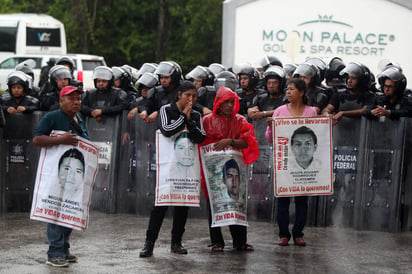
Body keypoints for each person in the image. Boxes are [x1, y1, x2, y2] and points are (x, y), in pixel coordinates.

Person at [139, 81, 206, 258]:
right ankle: (149, 243)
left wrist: (190, 121)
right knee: (160, 204)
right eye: (187, 96)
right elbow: (167, 131)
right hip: (168, 166)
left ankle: (176, 242)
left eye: (194, 96)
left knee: (183, 204)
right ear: (179, 95)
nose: (191, 100)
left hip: (186, 166)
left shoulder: (197, 115)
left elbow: (200, 137)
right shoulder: (166, 110)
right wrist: (183, 116)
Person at [33, 85, 88, 267]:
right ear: (61, 101)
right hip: (57, 174)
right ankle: (54, 252)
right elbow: (37, 139)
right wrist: (60, 140)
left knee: (70, 210)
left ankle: (64, 248)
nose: (76, 102)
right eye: (71, 99)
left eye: (78, 99)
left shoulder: (79, 118)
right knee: (55, 211)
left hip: (75, 175)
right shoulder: (52, 117)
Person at [200, 86, 259, 252]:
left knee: (237, 202)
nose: (228, 105)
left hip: (234, 168)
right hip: (213, 170)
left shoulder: (240, 120)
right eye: (225, 102)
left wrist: (230, 141)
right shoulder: (207, 121)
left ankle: (240, 241)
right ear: (218, 102)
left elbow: (248, 141)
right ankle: (217, 241)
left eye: (231, 102)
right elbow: (200, 142)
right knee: (214, 202)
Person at [265, 78, 317, 247]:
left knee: (302, 200)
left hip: (304, 163)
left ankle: (298, 233)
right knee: (283, 200)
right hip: (285, 161)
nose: (288, 92)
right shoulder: (280, 111)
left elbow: (318, 134)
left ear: (302, 92)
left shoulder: (311, 113)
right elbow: (270, 138)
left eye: (292, 89)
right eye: (287, 89)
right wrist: (271, 127)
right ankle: (283, 234)